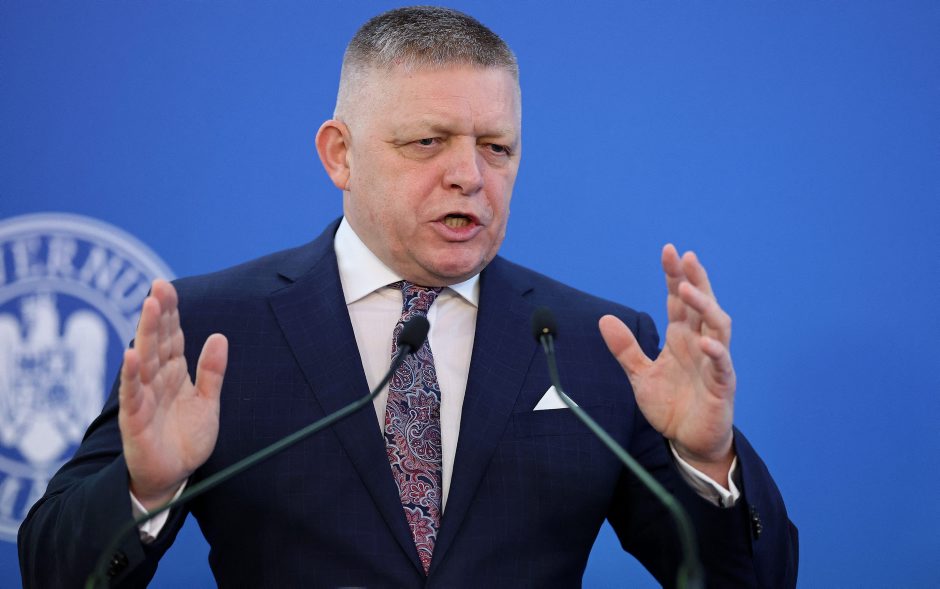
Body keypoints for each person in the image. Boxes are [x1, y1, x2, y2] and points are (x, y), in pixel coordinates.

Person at [18, 6, 797, 588]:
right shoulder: (217, 329)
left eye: (497, 147)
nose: (469, 176)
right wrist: (143, 488)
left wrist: (708, 460)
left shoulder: (598, 345)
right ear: (340, 154)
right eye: (428, 142)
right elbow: (51, 569)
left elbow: (752, 581)